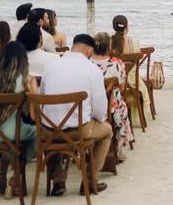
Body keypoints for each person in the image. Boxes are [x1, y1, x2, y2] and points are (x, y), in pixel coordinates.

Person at [40, 34, 111, 196]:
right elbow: (100, 111)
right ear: (89, 51)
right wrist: (92, 118)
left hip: (48, 132)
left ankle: (58, 180)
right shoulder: (92, 70)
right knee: (107, 132)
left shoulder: (51, 66)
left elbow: (42, 99)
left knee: (52, 125)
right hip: (78, 130)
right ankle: (90, 179)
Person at [0, 41, 36, 199]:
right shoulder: (27, 79)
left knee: (9, 144)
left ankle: (1, 178)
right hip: (11, 132)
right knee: (37, 134)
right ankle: (15, 176)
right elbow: (34, 116)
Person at [90, 32, 134, 161]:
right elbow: (121, 85)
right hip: (111, 106)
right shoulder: (117, 63)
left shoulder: (87, 63)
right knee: (122, 107)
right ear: (109, 46)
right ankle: (119, 149)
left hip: (89, 105)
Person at [109, 15, 152, 118]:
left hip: (115, 83)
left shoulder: (109, 43)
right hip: (133, 83)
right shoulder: (134, 42)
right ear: (127, 27)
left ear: (114, 27)